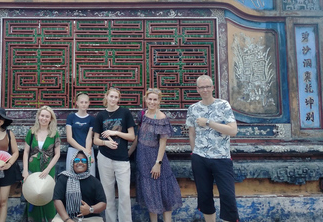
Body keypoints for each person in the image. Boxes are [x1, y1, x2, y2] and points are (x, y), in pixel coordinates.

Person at [186, 75, 239, 222]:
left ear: (212, 88)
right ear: (197, 89)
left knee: (228, 195)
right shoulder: (193, 109)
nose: (205, 90)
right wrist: (194, 153)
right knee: (204, 196)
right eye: (201, 87)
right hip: (200, 158)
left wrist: (208, 122)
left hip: (221, 157)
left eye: (207, 86)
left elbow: (233, 130)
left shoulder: (223, 105)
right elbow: (192, 134)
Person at [129, 88, 182, 222]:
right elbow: (138, 136)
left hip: (156, 157)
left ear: (159, 101)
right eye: (150, 99)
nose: (152, 102)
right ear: (146, 100)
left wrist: (158, 163)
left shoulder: (161, 118)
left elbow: (163, 143)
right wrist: (129, 152)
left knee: (164, 190)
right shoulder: (142, 114)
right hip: (142, 156)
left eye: (155, 99)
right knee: (149, 192)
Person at [93, 87, 135, 222]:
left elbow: (132, 136)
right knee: (107, 194)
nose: (113, 99)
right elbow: (95, 140)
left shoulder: (125, 112)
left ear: (119, 99)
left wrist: (115, 133)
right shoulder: (100, 115)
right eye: (111, 96)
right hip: (104, 157)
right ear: (106, 97)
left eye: (116, 97)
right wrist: (106, 143)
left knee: (124, 194)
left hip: (122, 159)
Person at [22, 105, 61, 222]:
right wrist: (24, 170)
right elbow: (26, 152)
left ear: (51, 119)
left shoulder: (54, 134)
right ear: (38, 116)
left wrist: (48, 169)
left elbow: (57, 154)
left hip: (48, 168)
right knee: (33, 193)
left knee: (47, 194)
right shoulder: (32, 132)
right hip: (33, 166)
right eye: (42, 115)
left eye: (47, 116)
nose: (44, 118)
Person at [52, 151, 106, 222]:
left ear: (88, 164)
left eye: (83, 161)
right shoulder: (63, 178)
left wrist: (90, 209)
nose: (80, 163)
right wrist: (67, 219)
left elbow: (103, 203)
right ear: (72, 163)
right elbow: (57, 200)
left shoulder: (94, 181)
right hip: (66, 216)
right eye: (76, 160)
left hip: (90, 217)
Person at [66, 92, 96, 176]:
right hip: (73, 150)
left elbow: (89, 138)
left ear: (89, 103)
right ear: (77, 103)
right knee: (72, 176)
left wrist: (87, 152)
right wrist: (83, 150)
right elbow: (69, 138)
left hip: (88, 150)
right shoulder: (71, 117)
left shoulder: (91, 119)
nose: (84, 104)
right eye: (82, 102)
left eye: (86, 102)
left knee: (89, 175)